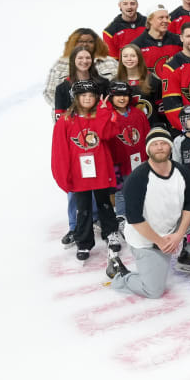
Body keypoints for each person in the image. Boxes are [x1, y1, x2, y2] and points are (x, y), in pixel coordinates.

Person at [105, 127, 190, 297]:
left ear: (170, 146)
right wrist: (161, 242)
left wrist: (179, 235)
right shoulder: (137, 178)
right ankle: (120, 274)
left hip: (173, 227)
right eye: (154, 144)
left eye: (163, 143)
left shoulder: (182, 172)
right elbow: (135, 219)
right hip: (147, 239)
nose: (159, 147)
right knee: (153, 291)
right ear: (148, 149)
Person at [52, 81, 121, 261]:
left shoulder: (100, 115)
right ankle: (83, 242)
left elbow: (106, 134)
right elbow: (60, 150)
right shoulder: (65, 121)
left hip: (100, 169)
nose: (88, 99)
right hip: (79, 173)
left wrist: (105, 111)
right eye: (83, 96)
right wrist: (64, 175)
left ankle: (111, 233)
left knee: (104, 203)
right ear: (76, 98)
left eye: (91, 96)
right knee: (82, 208)